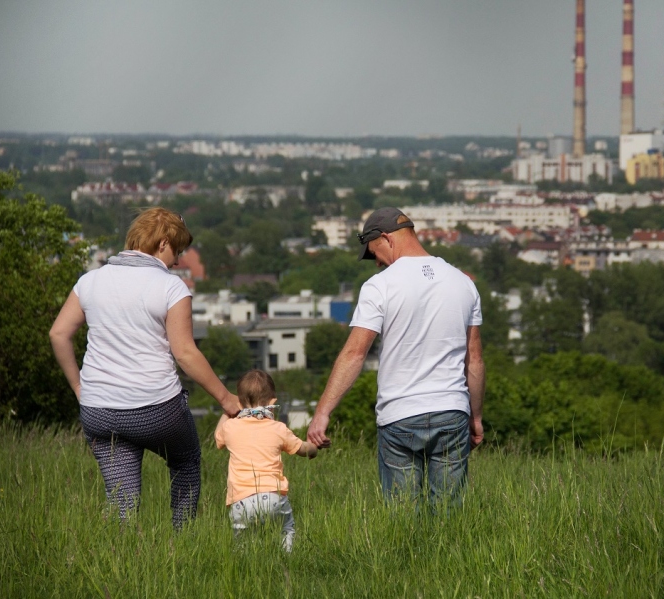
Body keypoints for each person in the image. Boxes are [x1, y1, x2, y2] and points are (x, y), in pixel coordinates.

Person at [49, 207, 241, 529]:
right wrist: (226, 399)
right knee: (185, 461)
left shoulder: (90, 281)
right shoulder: (171, 288)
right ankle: (182, 540)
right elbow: (185, 353)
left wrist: (80, 388)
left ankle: (123, 558)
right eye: (177, 251)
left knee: (122, 500)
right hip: (155, 408)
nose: (178, 261)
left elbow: (58, 334)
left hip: (98, 410)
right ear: (163, 243)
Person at [307, 207, 485, 507]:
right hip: (452, 411)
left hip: (399, 415)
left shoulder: (380, 286)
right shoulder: (463, 282)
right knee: (449, 516)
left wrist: (323, 412)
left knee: (403, 517)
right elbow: (475, 360)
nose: (375, 262)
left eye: (373, 252)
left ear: (387, 238)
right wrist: (476, 415)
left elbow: (354, 353)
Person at [215, 370, 319, 551]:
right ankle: (287, 557)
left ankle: (245, 565)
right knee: (286, 529)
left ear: (239, 403)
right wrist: (313, 448)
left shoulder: (230, 427)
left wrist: (227, 411)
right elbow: (302, 449)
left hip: (241, 500)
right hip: (273, 496)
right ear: (273, 402)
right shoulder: (278, 428)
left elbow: (218, 439)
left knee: (242, 542)